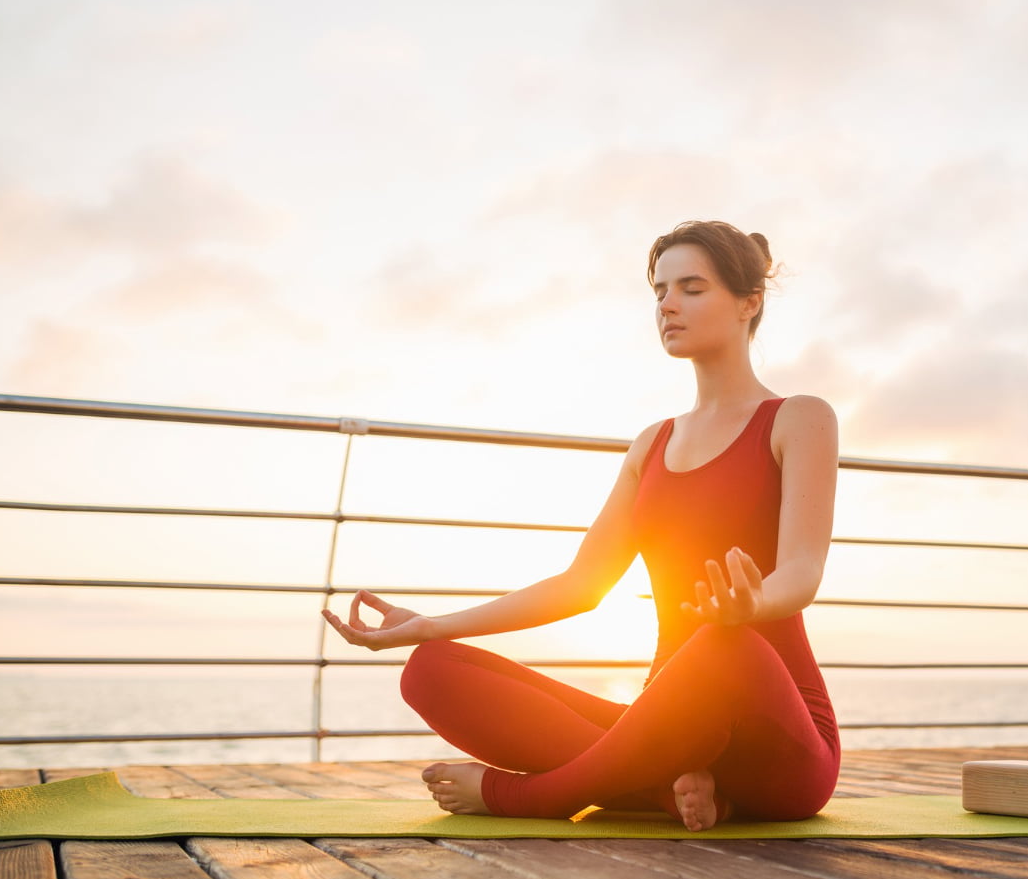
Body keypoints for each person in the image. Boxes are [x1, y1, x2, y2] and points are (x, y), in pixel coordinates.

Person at [322, 220, 840, 832]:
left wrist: (749, 606)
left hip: (779, 739)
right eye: (659, 291)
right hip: (663, 728)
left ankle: (531, 796)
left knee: (721, 645)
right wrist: (428, 624)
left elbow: (802, 572)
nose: (667, 304)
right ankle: (672, 792)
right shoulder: (652, 445)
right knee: (432, 671)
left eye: (692, 288)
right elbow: (582, 584)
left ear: (749, 302)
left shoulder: (798, 418)